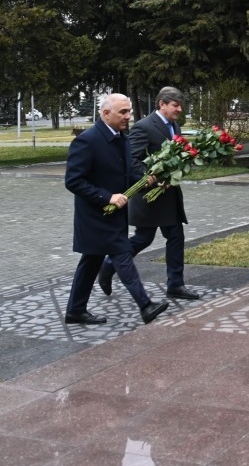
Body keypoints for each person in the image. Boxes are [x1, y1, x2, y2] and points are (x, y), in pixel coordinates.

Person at [63, 93, 169, 326]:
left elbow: (127, 174)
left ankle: (75, 311)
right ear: (105, 113)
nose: (128, 116)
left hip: (115, 213)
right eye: (123, 112)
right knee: (121, 254)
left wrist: (150, 181)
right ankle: (146, 306)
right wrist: (107, 197)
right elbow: (73, 181)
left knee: (91, 260)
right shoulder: (87, 140)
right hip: (94, 215)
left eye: (129, 111)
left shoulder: (122, 138)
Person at [98, 86, 200, 301]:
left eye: (180, 106)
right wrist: (151, 176)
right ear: (162, 104)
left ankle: (176, 285)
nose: (179, 109)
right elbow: (132, 159)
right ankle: (109, 264)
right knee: (143, 238)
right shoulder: (143, 126)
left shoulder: (175, 126)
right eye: (175, 105)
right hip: (149, 195)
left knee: (176, 237)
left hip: (169, 193)